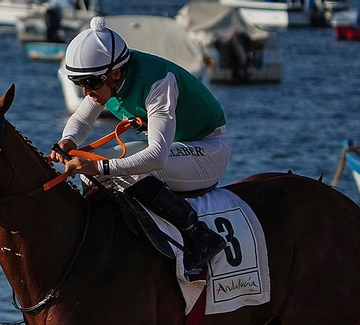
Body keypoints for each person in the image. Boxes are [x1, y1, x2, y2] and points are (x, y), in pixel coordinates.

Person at [50, 16, 228, 280]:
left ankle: (200, 236)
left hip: (207, 150)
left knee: (115, 170)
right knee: (92, 171)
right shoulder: (107, 76)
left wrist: (99, 166)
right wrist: (68, 142)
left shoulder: (157, 82)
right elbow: (82, 118)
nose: (86, 92)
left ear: (116, 74)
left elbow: (156, 157)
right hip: (178, 145)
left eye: (90, 83)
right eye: (79, 84)